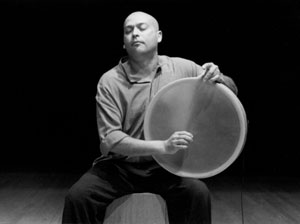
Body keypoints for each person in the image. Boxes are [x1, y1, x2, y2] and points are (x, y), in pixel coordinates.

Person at [62, 11, 238, 224]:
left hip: (166, 167)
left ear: (159, 35)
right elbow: (111, 139)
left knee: (197, 194)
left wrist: (218, 77)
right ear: (123, 43)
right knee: (78, 197)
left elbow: (229, 92)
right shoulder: (109, 81)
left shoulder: (183, 68)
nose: (134, 33)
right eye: (128, 30)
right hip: (120, 167)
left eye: (142, 28)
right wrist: (163, 146)